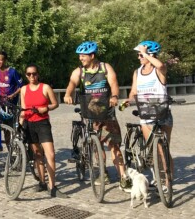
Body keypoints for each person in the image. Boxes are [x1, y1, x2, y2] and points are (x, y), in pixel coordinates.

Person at [64, 41, 132, 191]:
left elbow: (114, 84)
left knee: (113, 145)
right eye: (79, 55)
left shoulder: (105, 68)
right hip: (89, 115)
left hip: (107, 114)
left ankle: (123, 177)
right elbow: (71, 83)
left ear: (92, 56)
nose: (80, 58)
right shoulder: (79, 72)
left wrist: (114, 96)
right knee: (97, 146)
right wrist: (68, 94)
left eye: (83, 55)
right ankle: (102, 173)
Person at [126, 40, 174, 182]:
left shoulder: (159, 70)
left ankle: (167, 179)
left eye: (140, 55)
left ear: (149, 54)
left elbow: (160, 64)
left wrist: (146, 54)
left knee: (164, 149)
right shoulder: (137, 72)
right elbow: (134, 91)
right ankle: (159, 177)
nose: (139, 57)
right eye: (139, 55)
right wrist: (129, 100)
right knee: (155, 148)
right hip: (146, 112)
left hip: (163, 111)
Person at [20, 64, 67, 198]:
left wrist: (45, 108)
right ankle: (42, 182)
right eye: (29, 74)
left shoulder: (45, 87)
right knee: (37, 155)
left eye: (34, 74)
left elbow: (55, 103)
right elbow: (23, 109)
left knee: (50, 154)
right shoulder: (23, 89)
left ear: (38, 74)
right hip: (29, 124)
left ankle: (53, 187)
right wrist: (20, 124)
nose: (32, 76)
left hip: (43, 123)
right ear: (26, 75)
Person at [0, 50, 23, 125]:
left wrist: (13, 95)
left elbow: (22, 86)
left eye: (0, 60)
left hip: (10, 103)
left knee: (8, 126)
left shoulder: (13, 72)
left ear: (5, 60)